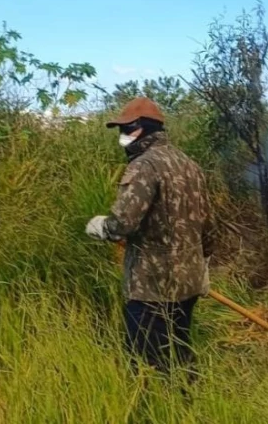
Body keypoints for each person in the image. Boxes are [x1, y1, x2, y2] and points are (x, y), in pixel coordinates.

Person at [85, 96, 216, 382]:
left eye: (124, 130)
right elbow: (208, 224)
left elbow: (123, 223)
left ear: (139, 130)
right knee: (179, 351)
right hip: (189, 283)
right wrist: (203, 266)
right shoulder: (189, 164)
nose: (122, 138)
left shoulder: (144, 166)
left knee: (147, 362)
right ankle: (187, 404)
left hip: (151, 287)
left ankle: (151, 407)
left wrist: (101, 227)